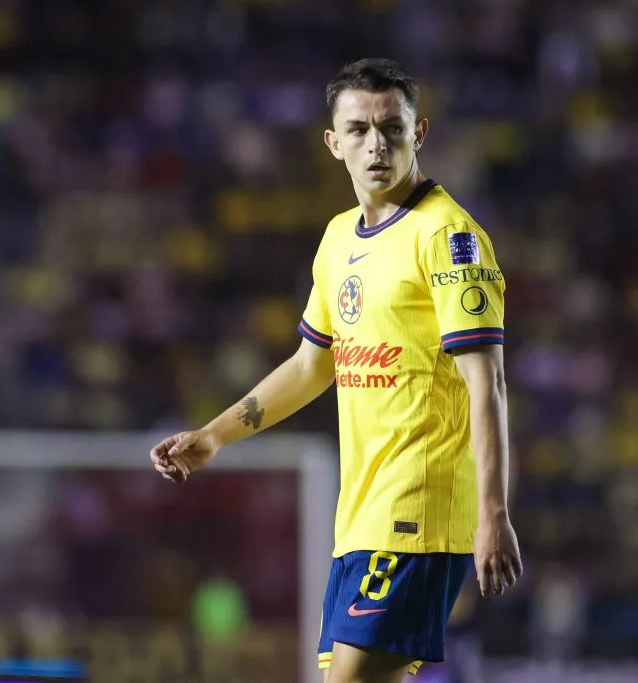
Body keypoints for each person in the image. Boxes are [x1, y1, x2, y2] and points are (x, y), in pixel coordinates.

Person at [150, 57, 522, 683]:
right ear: (333, 143)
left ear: (418, 133)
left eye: (391, 128)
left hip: (419, 514)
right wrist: (215, 434)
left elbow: (488, 382)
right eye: (358, 130)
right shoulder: (338, 239)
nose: (376, 143)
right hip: (360, 516)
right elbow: (309, 366)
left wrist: (493, 512)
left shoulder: (450, 239)